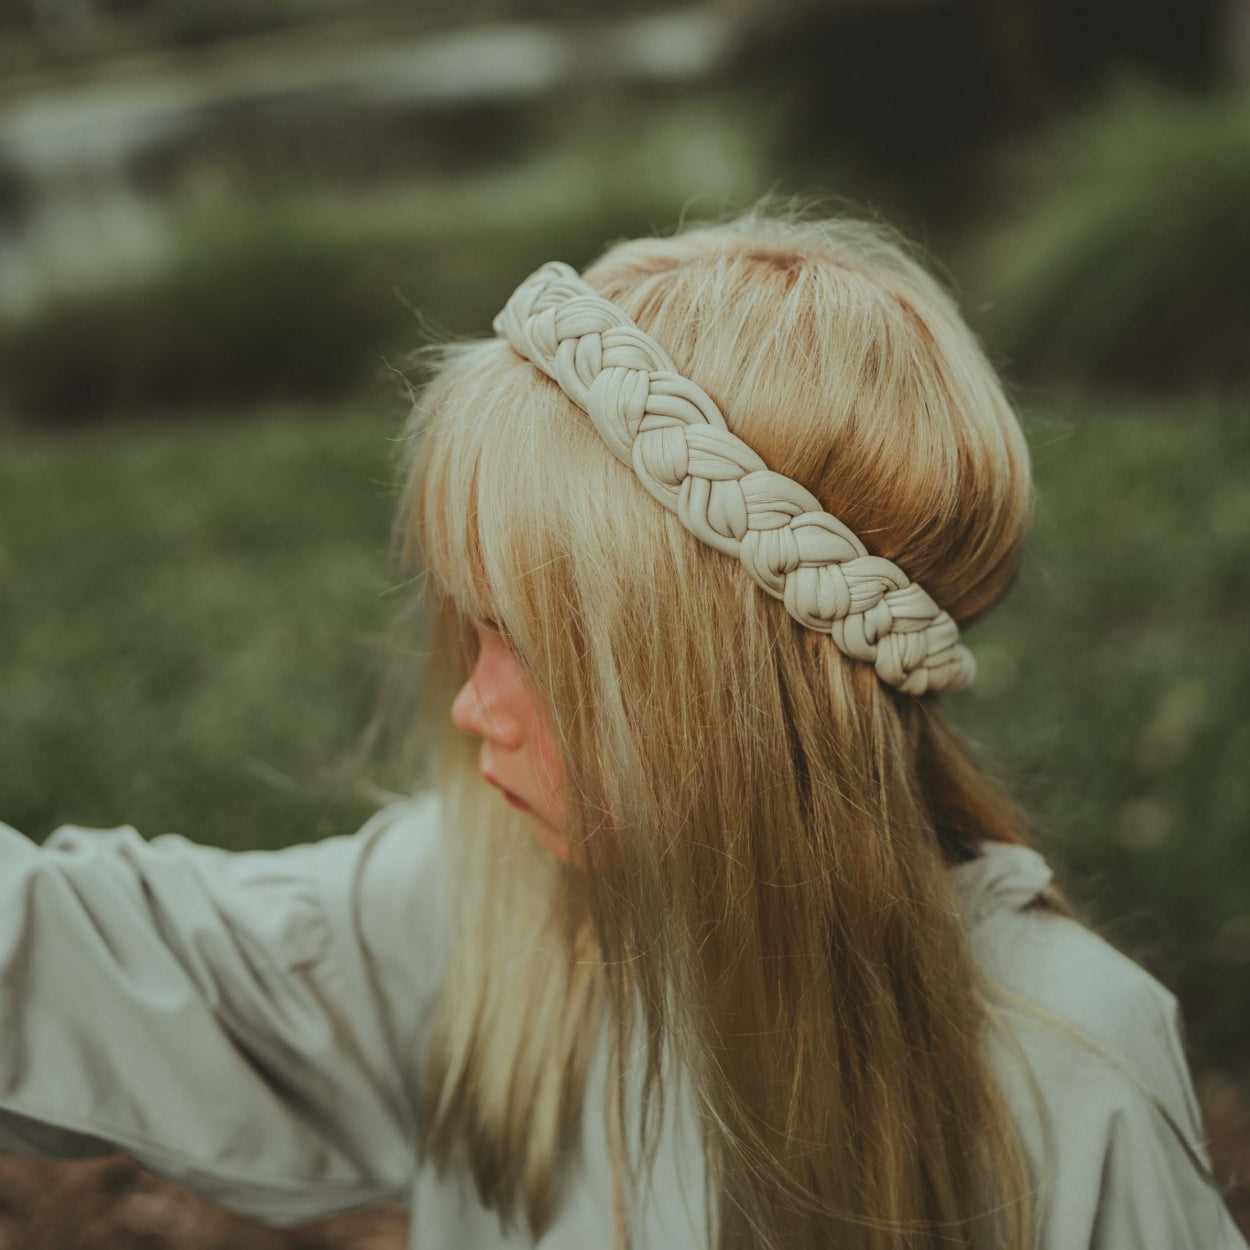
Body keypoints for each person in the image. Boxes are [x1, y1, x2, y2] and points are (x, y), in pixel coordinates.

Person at [0, 207, 1244, 1250]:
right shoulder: (474, 913)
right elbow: (95, 961)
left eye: (526, 650)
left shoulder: (1062, 1071)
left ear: (727, 696)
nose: (471, 703)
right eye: (466, 631)